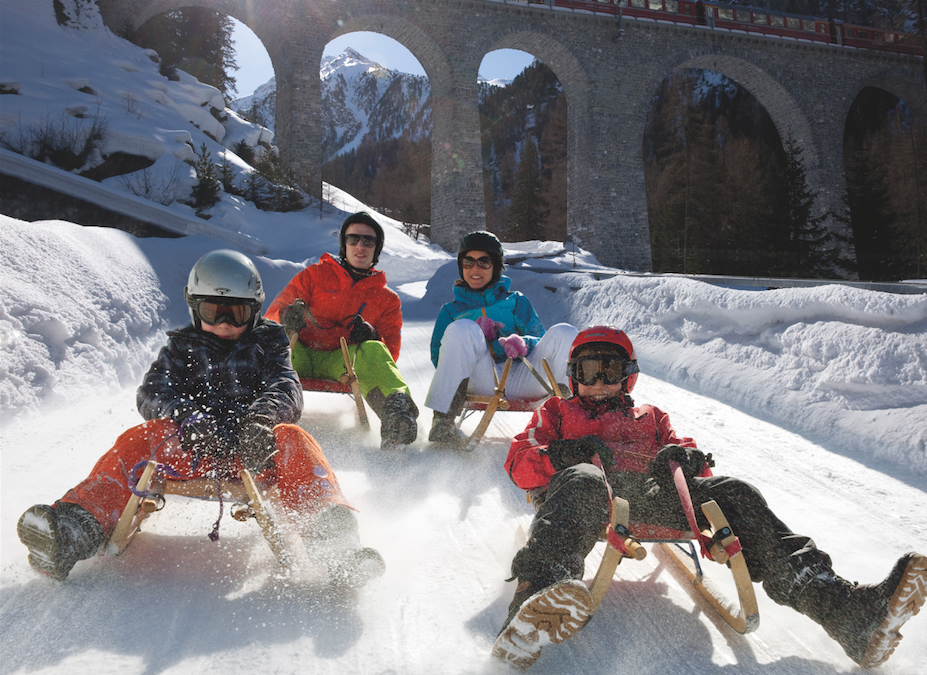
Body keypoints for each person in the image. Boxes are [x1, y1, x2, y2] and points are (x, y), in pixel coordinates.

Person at [492, 325, 927, 669]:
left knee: (734, 492)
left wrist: (681, 457)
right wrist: (558, 455)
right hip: (590, 495)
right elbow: (518, 462)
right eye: (589, 372)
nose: (600, 381)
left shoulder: (651, 416)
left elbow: (694, 462)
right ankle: (535, 603)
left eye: (610, 370)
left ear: (629, 376)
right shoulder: (556, 412)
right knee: (585, 477)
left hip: (650, 496)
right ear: (573, 377)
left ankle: (848, 614)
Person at [16, 249, 384, 588]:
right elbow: (151, 392)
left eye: (236, 313)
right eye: (212, 312)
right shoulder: (180, 346)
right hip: (192, 451)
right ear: (195, 309)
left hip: (253, 454)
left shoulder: (269, 341)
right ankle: (72, 530)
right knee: (141, 437)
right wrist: (186, 419)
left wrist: (261, 421)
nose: (224, 323)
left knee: (295, 440)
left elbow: (287, 387)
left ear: (254, 311)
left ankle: (337, 548)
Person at [264, 210, 420, 450]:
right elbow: (270, 318)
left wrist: (371, 336)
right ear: (343, 244)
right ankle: (260, 421)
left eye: (368, 241)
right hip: (300, 352)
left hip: (344, 362)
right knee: (275, 342)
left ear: (376, 249)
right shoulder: (314, 276)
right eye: (353, 238)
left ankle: (397, 417)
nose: (360, 246)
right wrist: (285, 317)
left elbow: (389, 355)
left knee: (374, 350)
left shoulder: (386, 299)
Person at [425, 230, 577, 445]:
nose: (475, 269)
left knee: (565, 332)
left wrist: (524, 343)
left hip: (524, 377)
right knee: (462, 329)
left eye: (484, 262)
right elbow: (438, 358)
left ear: (495, 266)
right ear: (461, 266)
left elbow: (542, 340)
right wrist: (475, 340)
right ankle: (443, 421)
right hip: (482, 380)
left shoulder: (516, 302)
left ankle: (575, 417)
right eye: (468, 262)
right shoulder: (451, 310)